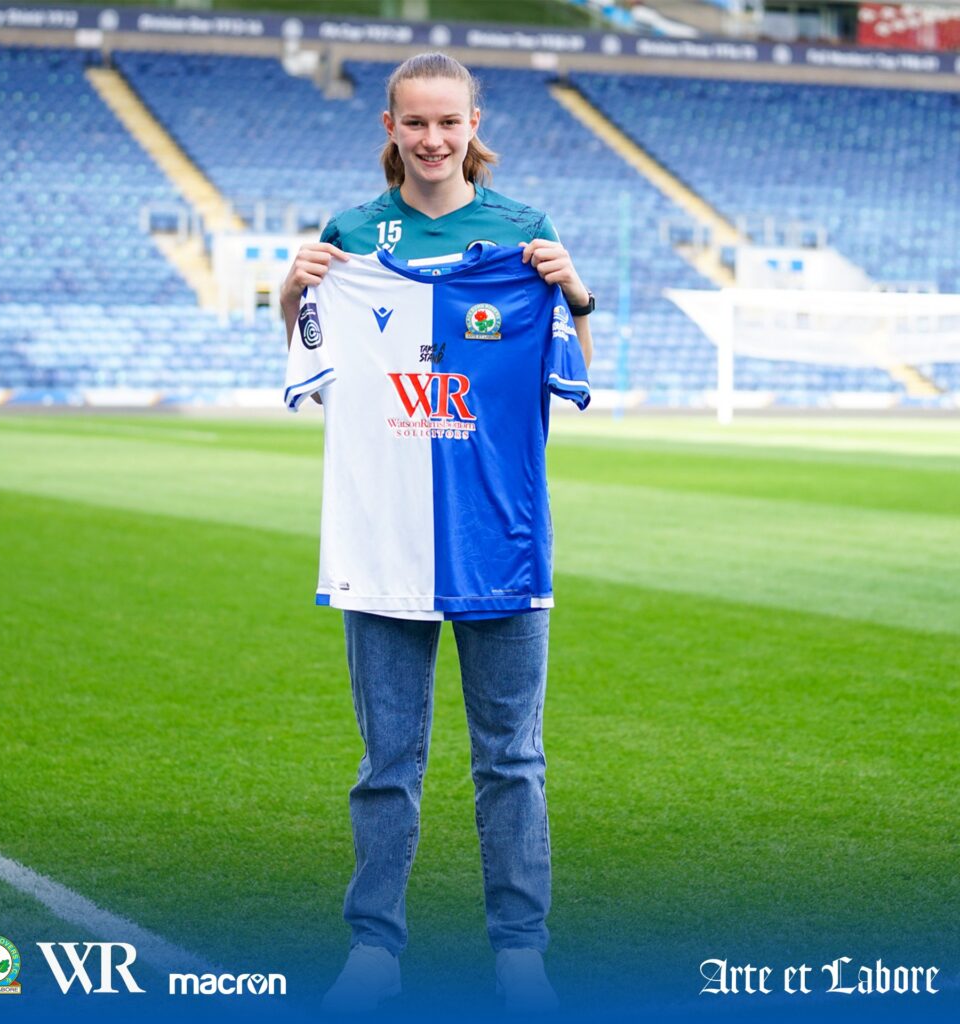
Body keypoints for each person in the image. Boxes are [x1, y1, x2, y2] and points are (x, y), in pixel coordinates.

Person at [278, 52, 594, 1015]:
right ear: (390, 127)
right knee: (388, 764)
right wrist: (293, 295)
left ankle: (521, 954)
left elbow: (575, 375)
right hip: (382, 543)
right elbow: (313, 376)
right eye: (414, 122)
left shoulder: (526, 233)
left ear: (473, 124)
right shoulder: (350, 238)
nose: (432, 138)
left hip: (502, 537)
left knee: (512, 759)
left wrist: (575, 294)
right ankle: (373, 949)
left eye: (448, 121)